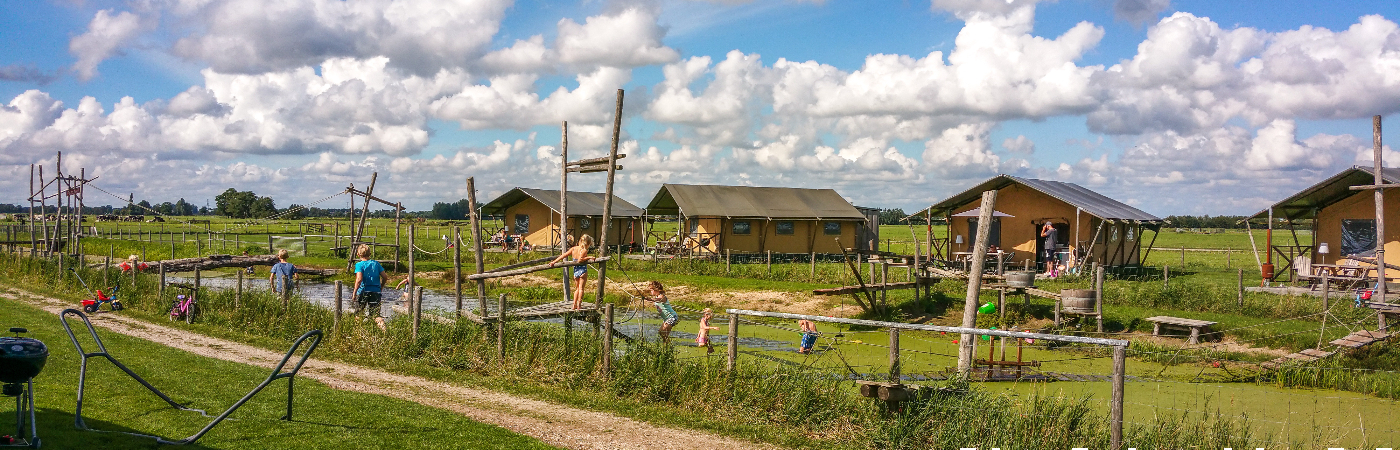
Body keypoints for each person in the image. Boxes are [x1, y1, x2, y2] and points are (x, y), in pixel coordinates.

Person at [549, 234, 593, 310]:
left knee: (576, 289)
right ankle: (579, 305)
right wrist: (589, 257)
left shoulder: (573, 249)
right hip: (582, 270)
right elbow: (580, 259)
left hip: (575, 271)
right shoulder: (584, 250)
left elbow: (564, 255)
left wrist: (554, 262)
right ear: (588, 243)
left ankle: (574, 304)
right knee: (581, 289)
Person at [352, 244, 389, 331]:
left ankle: (357, 332)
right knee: (376, 315)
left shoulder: (359, 265)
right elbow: (385, 277)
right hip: (376, 291)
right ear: (370, 254)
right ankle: (384, 330)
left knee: (359, 313)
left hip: (363, 291)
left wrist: (354, 292)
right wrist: (381, 287)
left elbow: (359, 279)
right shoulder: (376, 264)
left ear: (358, 254)